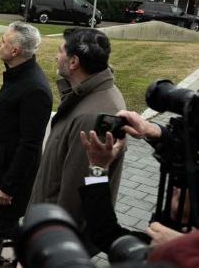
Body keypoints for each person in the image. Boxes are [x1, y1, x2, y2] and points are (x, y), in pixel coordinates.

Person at [77, 112, 199, 254]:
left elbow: (106, 234)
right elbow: (185, 159)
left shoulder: (165, 249)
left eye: (186, 195)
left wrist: (98, 168)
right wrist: (150, 130)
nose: (176, 188)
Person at [27, 28, 126, 254]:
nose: (55, 56)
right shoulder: (90, 96)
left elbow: (75, 195)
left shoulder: (93, 118)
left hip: (54, 239)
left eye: (60, 51)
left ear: (73, 62)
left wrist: (50, 244)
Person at [0, 22, 52, 263]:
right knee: (3, 230)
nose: (0, 45)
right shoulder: (19, 76)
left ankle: (6, 264)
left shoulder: (34, 87)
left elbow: (30, 144)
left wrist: (8, 185)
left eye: (4, 42)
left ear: (16, 51)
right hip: (3, 169)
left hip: (12, 178)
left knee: (7, 234)